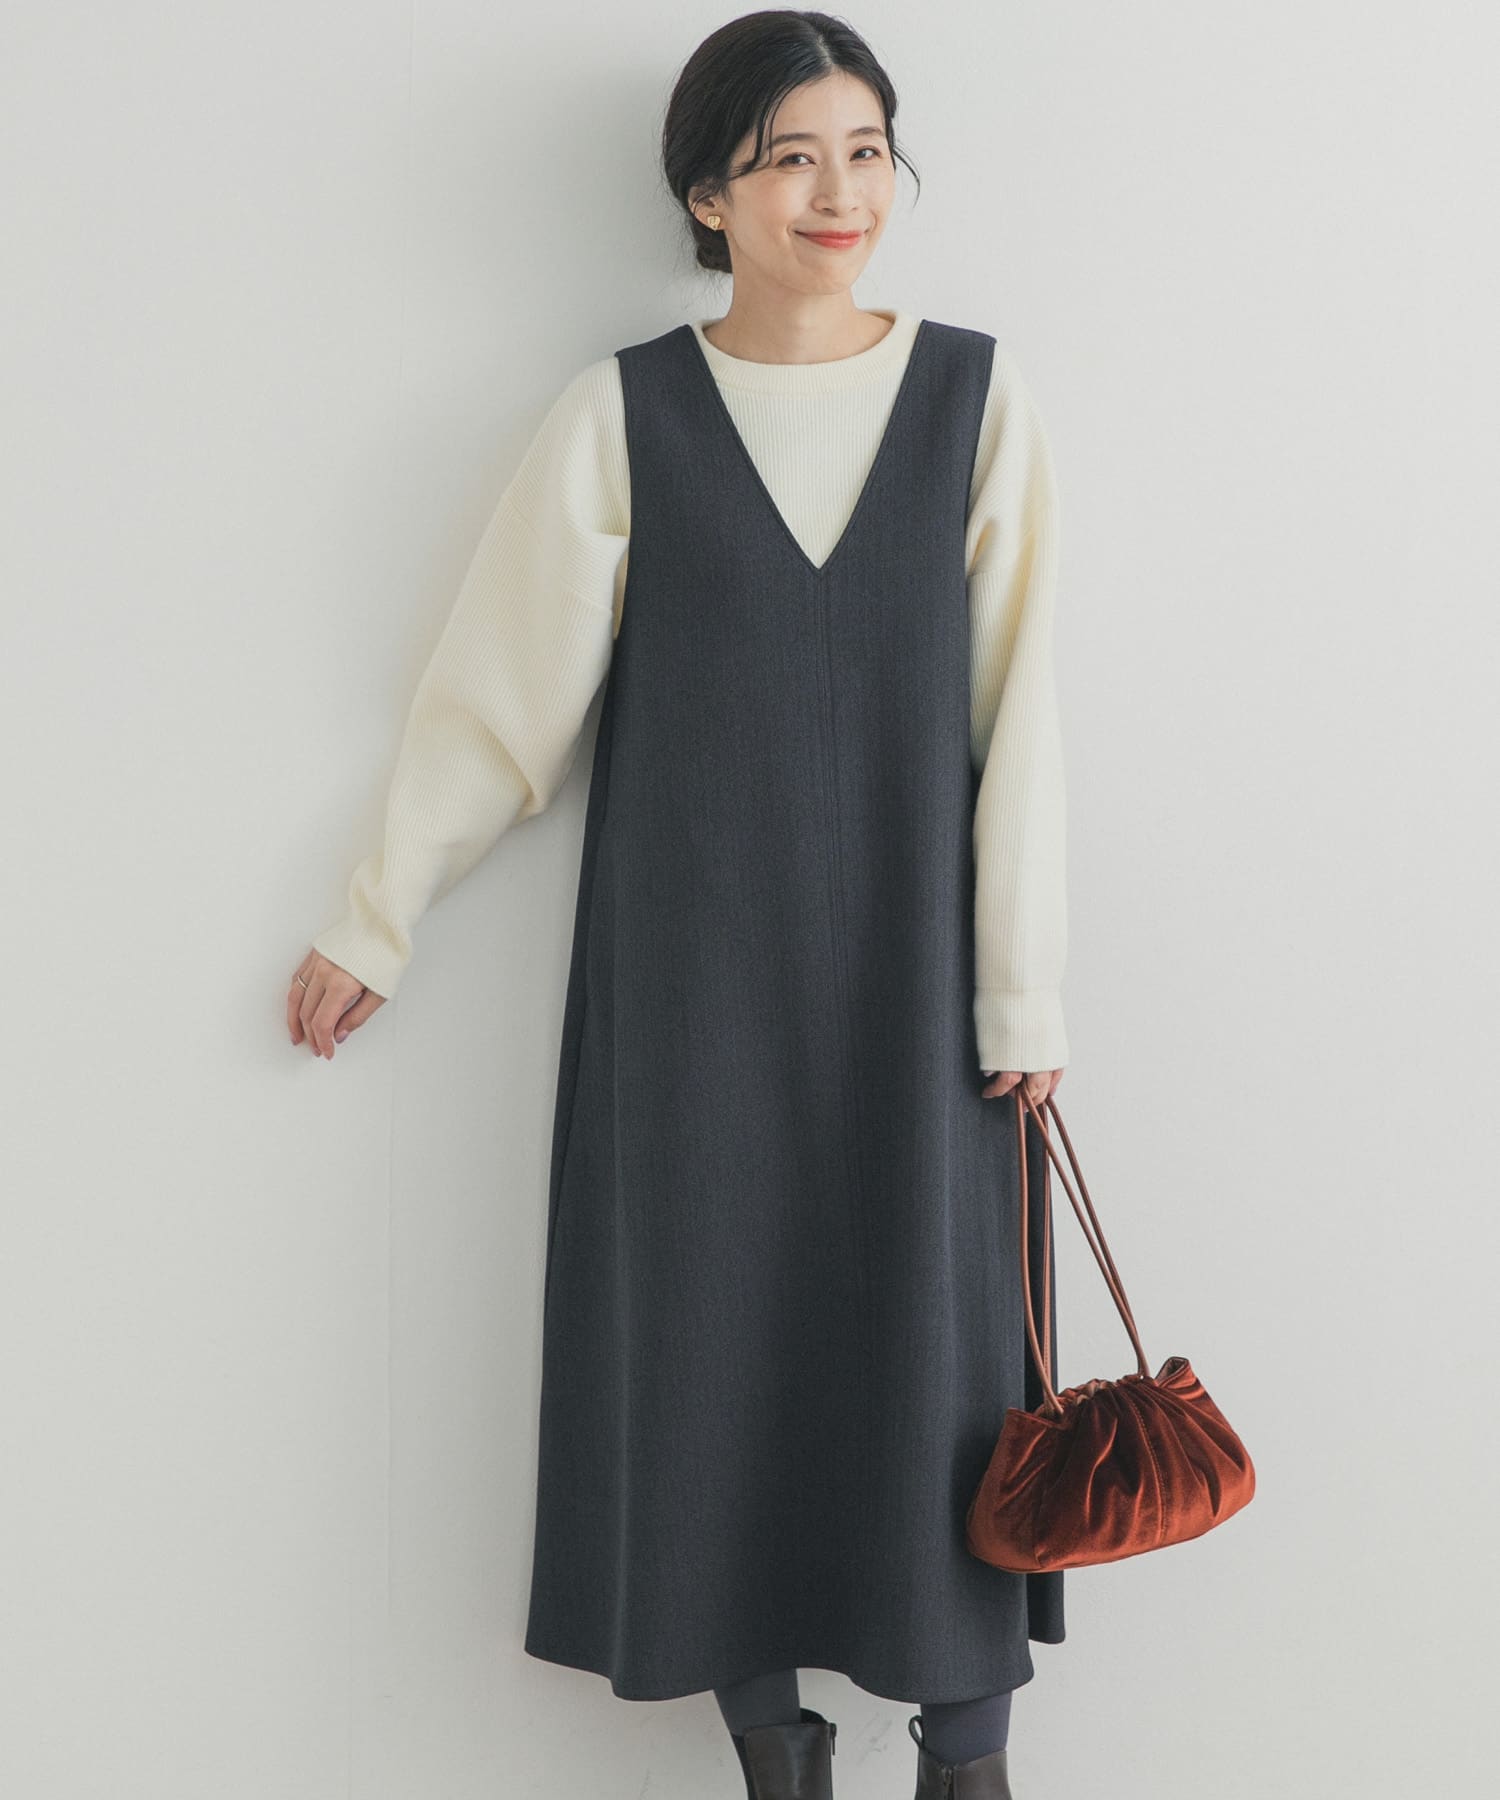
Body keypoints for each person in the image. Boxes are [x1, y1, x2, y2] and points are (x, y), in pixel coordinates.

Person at [288, 12, 1070, 1797]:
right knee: (704, 1340)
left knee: (952, 1361)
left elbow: (1025, 715)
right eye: (790, 158)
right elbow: (496, 704)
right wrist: (376, 915)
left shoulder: (975, 399)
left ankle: (968, 1758)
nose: (838, 193)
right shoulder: (622, 415)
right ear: (710, 194)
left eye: (865, 151)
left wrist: (1021, 997)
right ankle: (775, 1751)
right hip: (693, 985)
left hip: (926, 993)